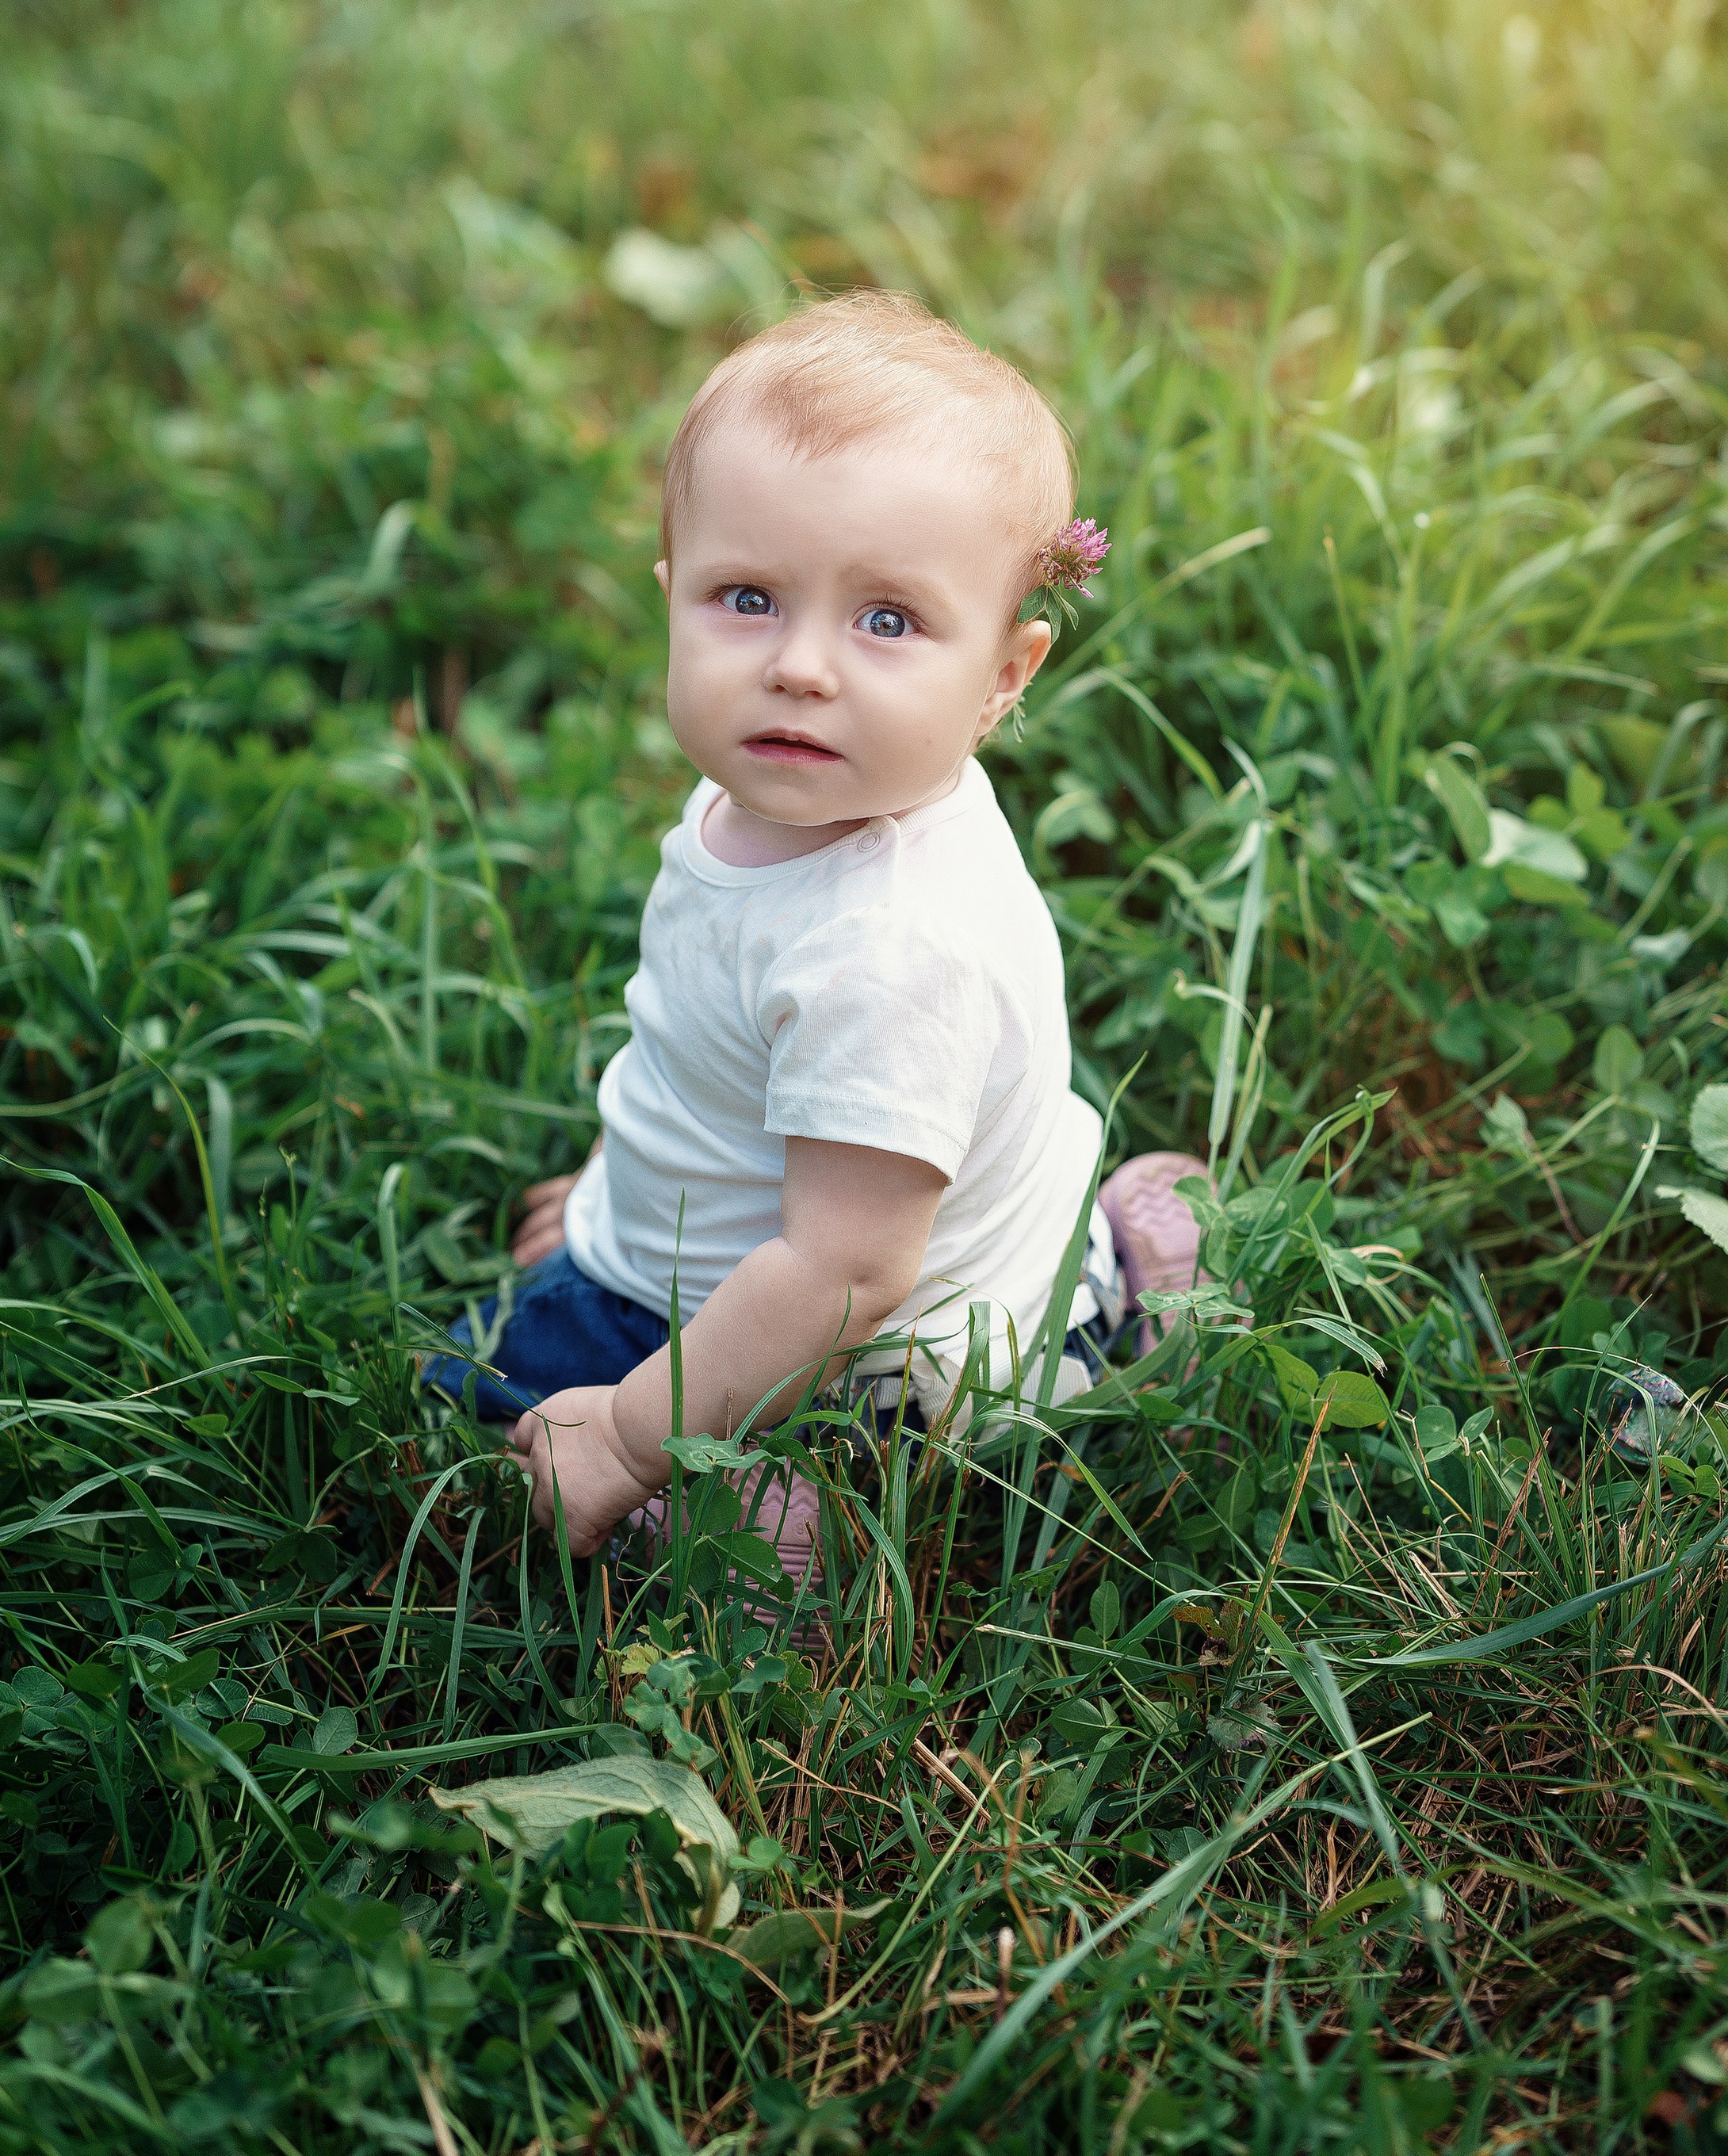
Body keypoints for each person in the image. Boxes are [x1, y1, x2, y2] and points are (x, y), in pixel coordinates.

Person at [424, 291, 1205, 1566]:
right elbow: (727, 1063)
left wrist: (627, 1435)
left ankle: (774, 1516)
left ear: (1007, 673)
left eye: (886, 621)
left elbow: (844, 1272)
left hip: (861, 1364)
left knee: (468, 1432)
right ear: (672, 594)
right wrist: (641, 1188)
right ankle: (1125, 1259)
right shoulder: (817, 779)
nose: (801, 665)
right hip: (897, 1255)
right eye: (747, 598)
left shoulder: (890, 947)